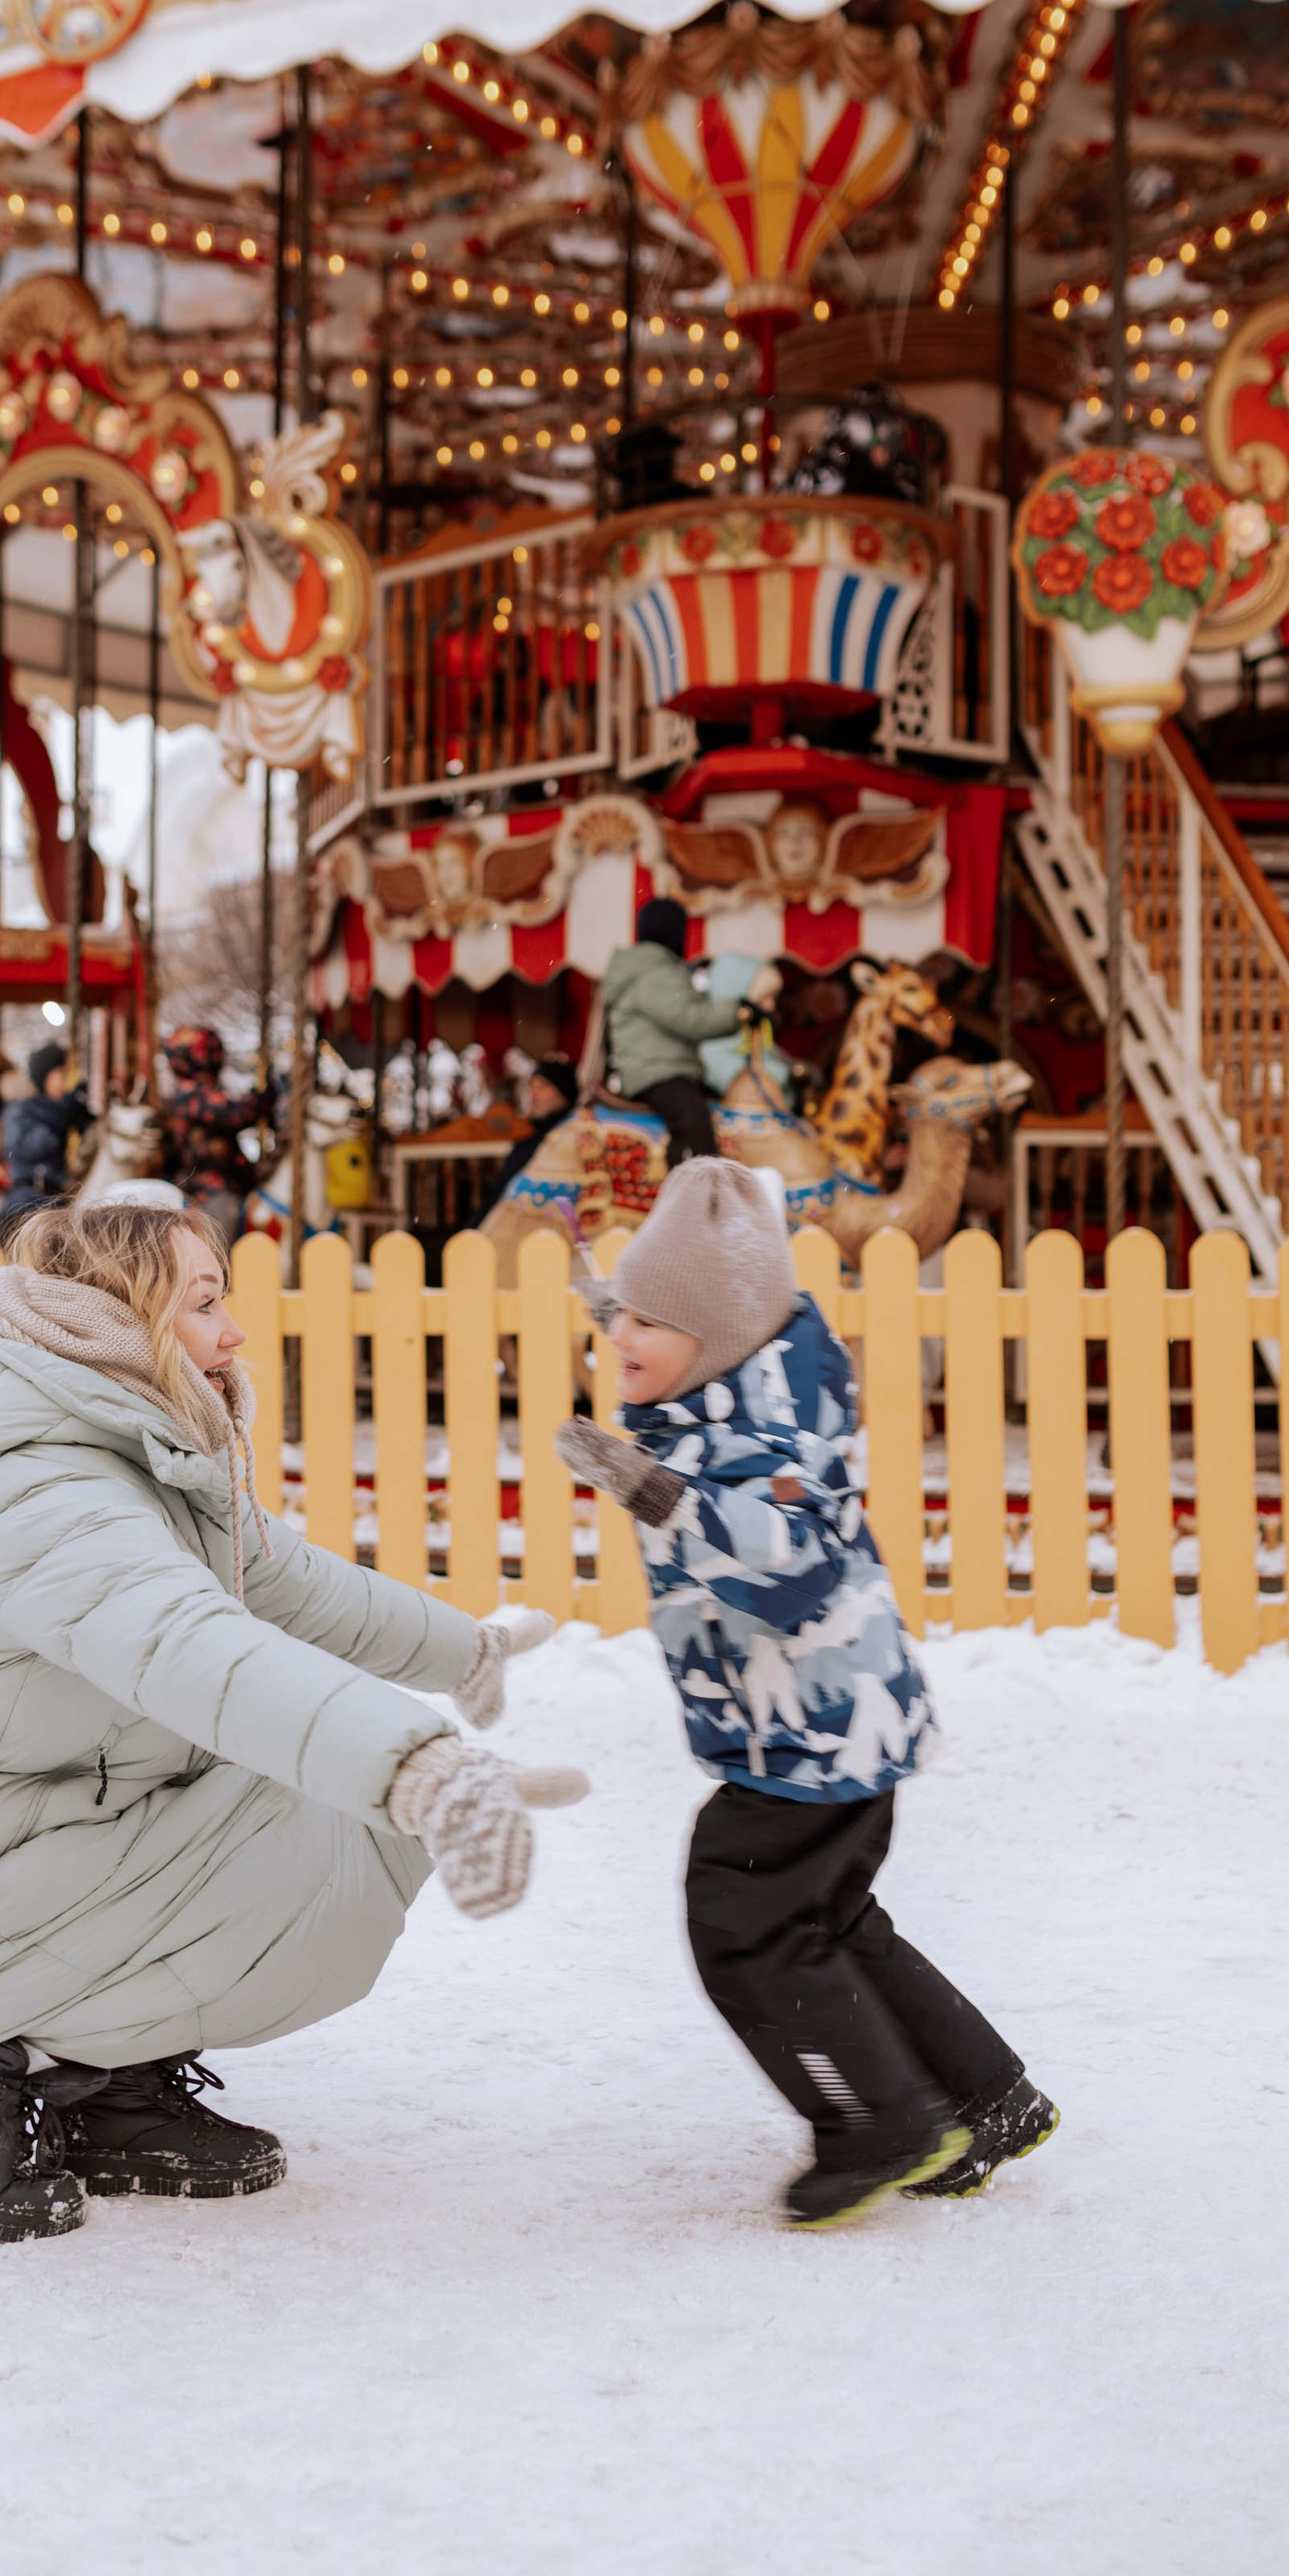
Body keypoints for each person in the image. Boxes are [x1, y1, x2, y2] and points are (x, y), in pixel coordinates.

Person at [0, 1202, 583, 2241]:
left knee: (336, 1811)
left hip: (29, 1849)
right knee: (348, 1821)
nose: (233, 1333)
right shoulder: (49, 1484)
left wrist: (465, 1654)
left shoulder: (132, 1454)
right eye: (206, 1302)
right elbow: (186, 1644)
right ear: (121, 1318)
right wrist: (417, 1769)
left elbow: (285, 1585)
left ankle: (105, 2083)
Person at [553, 1159, 1054, 2229]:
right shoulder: (736, 1386)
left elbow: (787, 1563)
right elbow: (686, 1322)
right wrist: (604, 1284)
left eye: (645, 1323)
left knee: (742, 1918)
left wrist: (646, 1486)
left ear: (715, 1340)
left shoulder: (767, 1447)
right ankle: (983, 2096)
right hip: (818, 1738)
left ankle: (877, 2122)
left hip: (811, 1744)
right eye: (621, 1316)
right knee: (831, 1920)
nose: (620, 1338)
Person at [599, 898, 779, 1169]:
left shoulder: (651, 970)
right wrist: (740, 1011)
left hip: (666, 1068)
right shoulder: (654, 973)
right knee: (693, 1121)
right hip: (656, 1072)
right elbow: (691, 1019)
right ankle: (691, 1193)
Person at [160, 1023, 268, 1245]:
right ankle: (220, 1267)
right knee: (221, 1219)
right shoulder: (196, 1094)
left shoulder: (193, 1091)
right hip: (211, 1183)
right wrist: (262, 1099)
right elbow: (235, 1115)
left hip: (227, 1178)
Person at [0, 1041, 90, 1244]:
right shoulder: (20, 1110)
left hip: (55, 1199)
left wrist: (82, 1116)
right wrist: (61, 1115)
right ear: (44, 1075)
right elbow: (34, 1146)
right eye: (61, 1076)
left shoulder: (53, 1110)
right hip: (25, 1199)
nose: (64, 1085)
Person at [484, 1052, 582, 1207]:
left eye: (543, 1086)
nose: (534, 1094)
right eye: (532, 1087)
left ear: (564, 1094)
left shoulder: (575, 1138)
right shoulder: (528, 1140)